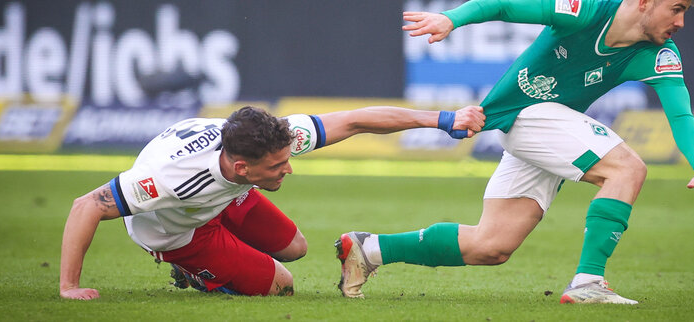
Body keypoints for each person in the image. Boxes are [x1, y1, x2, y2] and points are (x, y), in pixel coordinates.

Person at [335, 0, 694, 304]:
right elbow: (501, 6)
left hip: (543, 128)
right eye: (677, 9)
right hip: (526, 114)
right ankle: (589, 282)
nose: (681, 23)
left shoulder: (660, 53)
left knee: (491, 246)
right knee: (628, 168)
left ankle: (370, 250)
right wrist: (451, 19)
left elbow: (680, 115)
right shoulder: (582, 10)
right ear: (644, 2)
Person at [59, 104, 485, 300]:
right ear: (243, 167)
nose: (290, 169)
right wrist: (69, 288)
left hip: (220, 197)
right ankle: (191, 271)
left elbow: (355, 120)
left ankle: (225, 233)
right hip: (177, 230)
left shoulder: (272, 138)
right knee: (282, 286)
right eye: (279, 165)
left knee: (295, 247)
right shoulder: (170, 180)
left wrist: (441, 120)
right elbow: (87, 206)